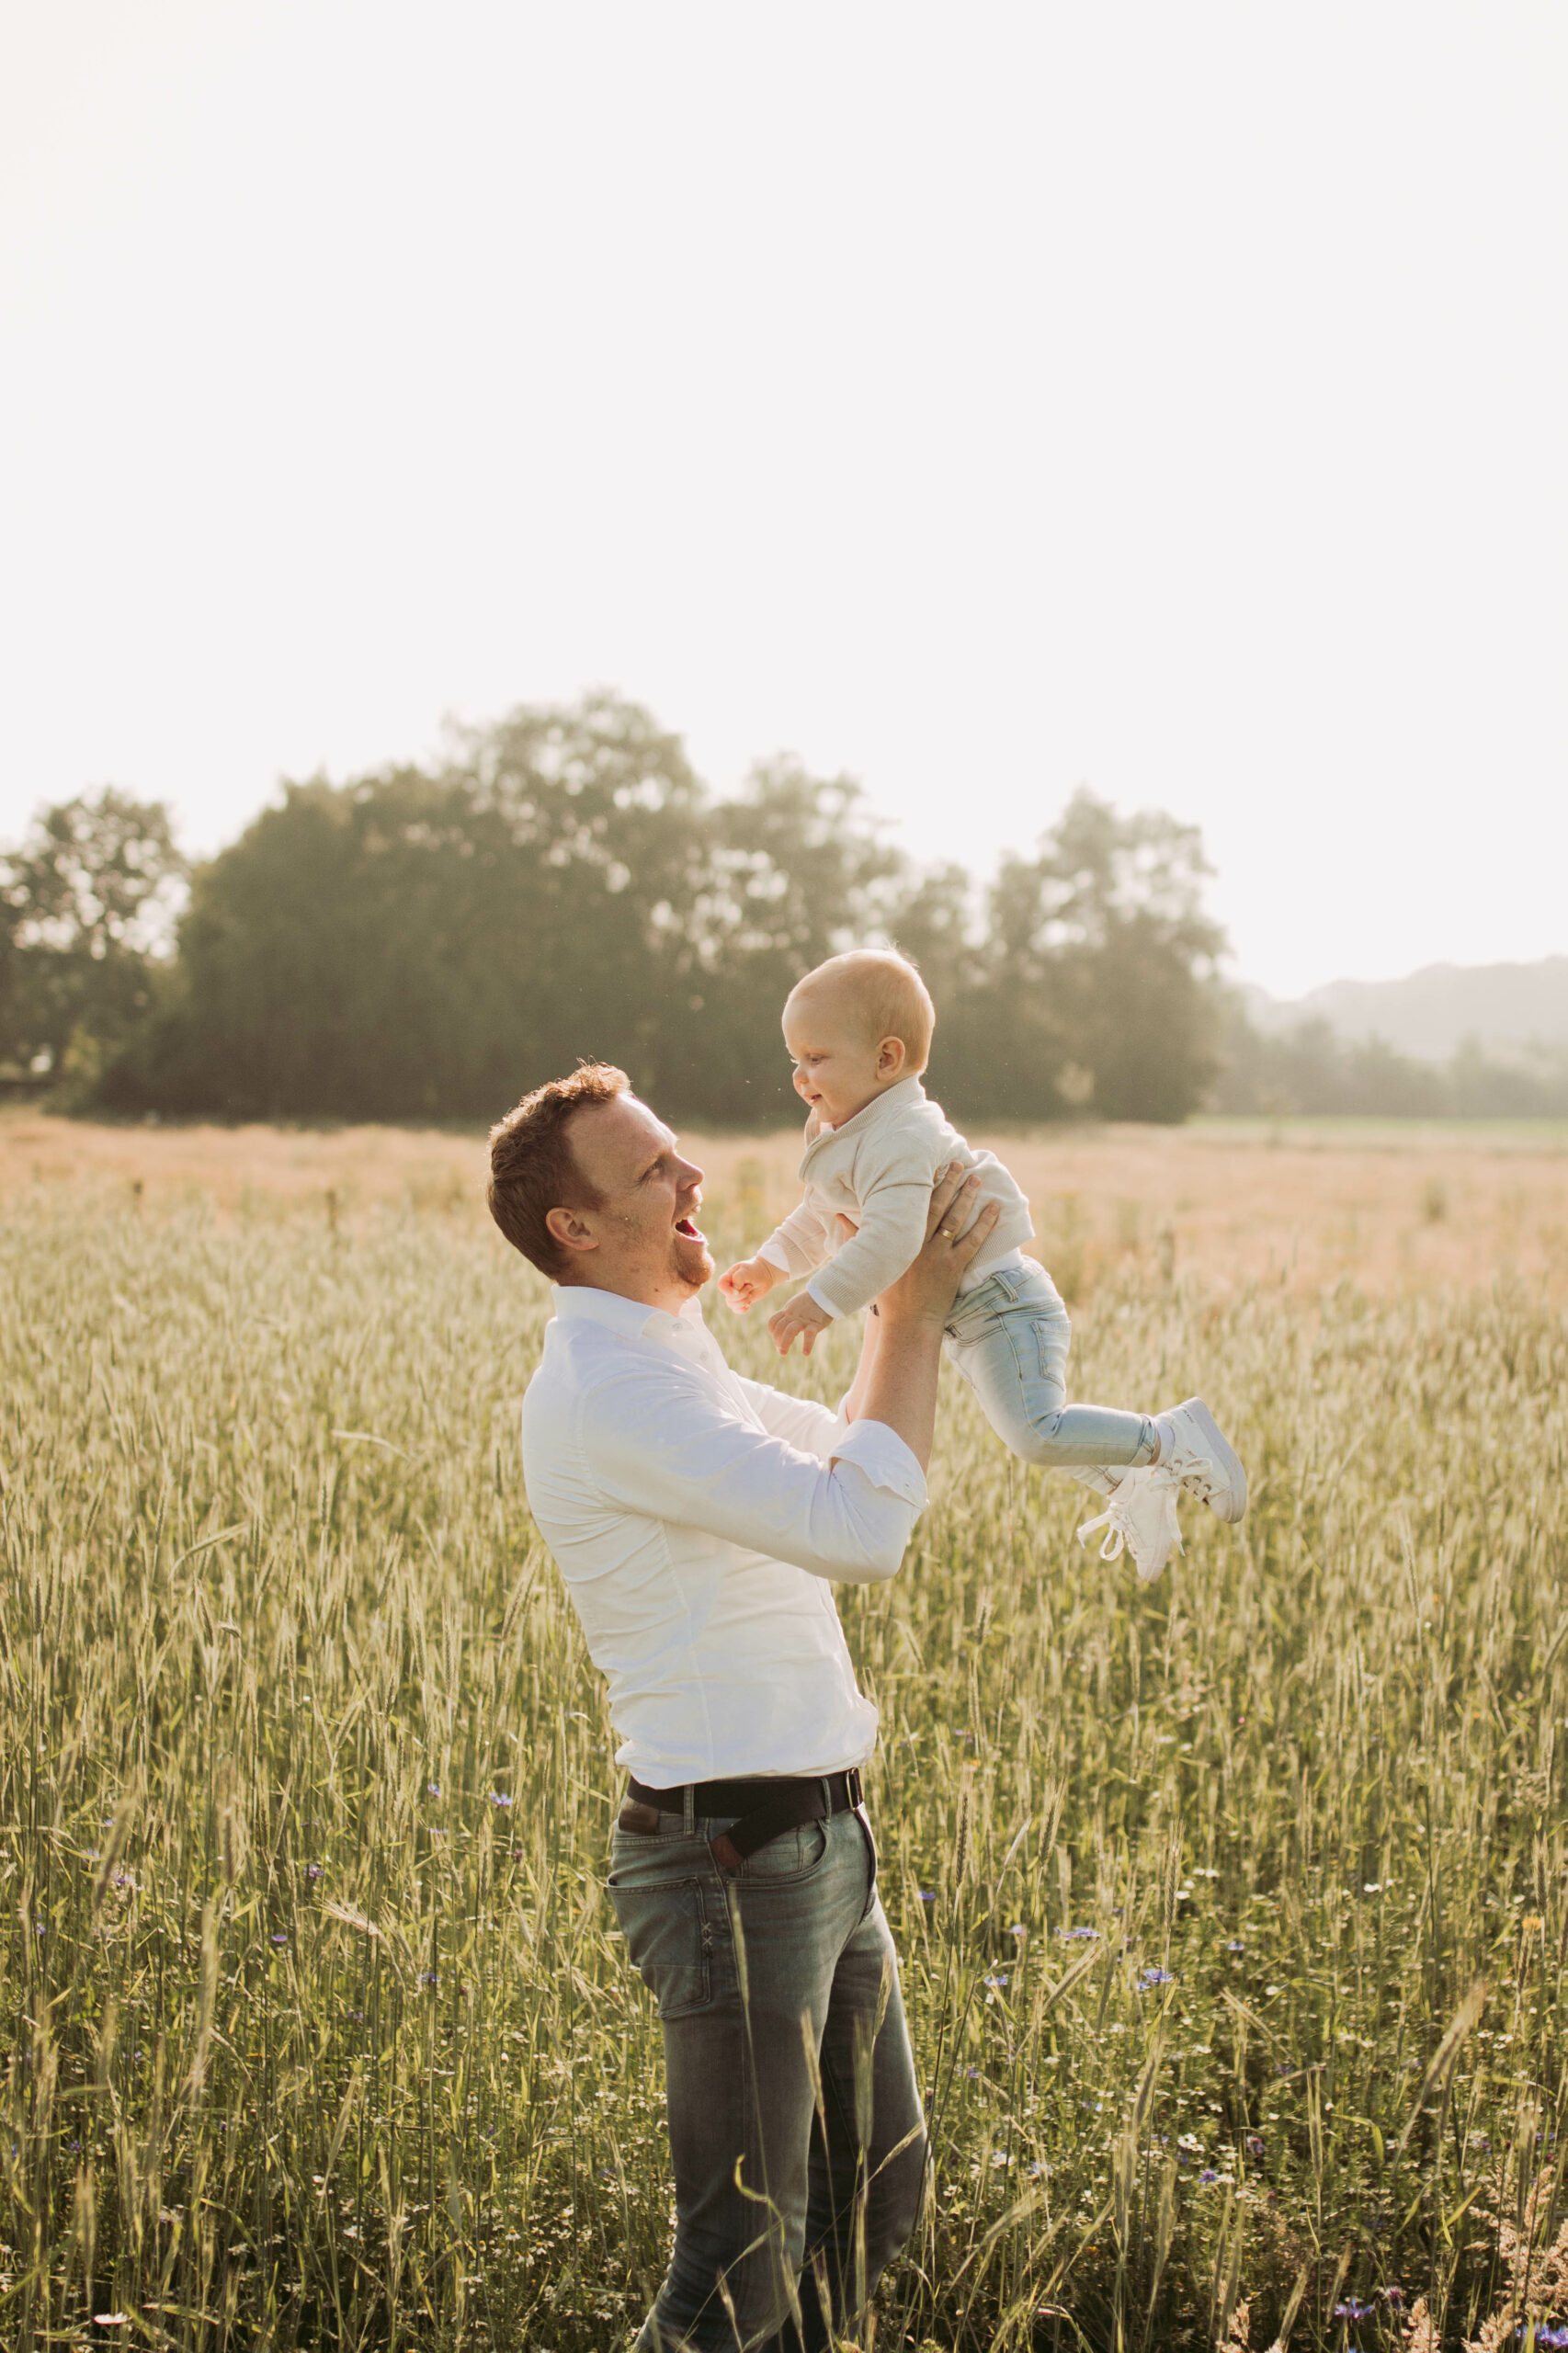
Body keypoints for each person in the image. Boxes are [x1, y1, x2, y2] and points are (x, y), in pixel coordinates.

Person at [487, 1061, 997, 2353]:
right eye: (653, 1168)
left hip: (819, 1842)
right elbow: (860, 1528)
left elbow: (842, 1444)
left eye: (675, 1151)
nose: (694, 1175)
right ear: (574, 1226)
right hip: (729, 1859)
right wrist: (908, 1305)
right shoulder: (614, 1392)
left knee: (875, 2196)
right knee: (737, 2269)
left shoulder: (669, 1353)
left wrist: (894, 1293)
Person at [719, 949, 1247, 1581]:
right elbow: (820, 1215)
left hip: (1003, 1304)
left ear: (886, 1059)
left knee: (1035, 1432)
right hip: (966, 1313)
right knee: (1023, 1426)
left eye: (815, 1058)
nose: (800, 1078)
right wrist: (770, 1265)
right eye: (795, 1060)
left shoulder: (902, 1134)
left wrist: (821, 1301)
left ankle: (1170, 1438)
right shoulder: (842, 1129)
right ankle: (1131, 1483)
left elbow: (892, 1239)